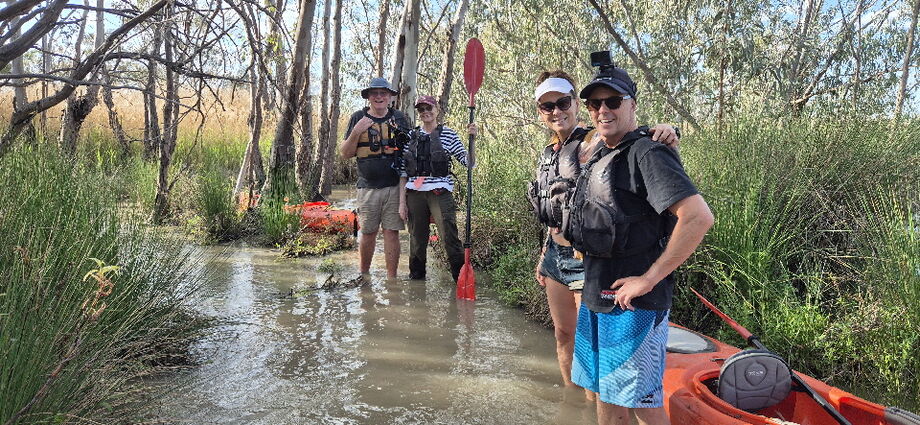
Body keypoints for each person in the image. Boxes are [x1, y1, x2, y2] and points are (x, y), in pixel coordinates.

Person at [565, 54, 713, 425]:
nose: (603, 110)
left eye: (613, 101)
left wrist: (648, 279)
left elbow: (697, 218)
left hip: (635, 305)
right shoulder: (601, 151)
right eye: (595, 103)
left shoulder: (649, 153)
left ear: (631, 104)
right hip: (598, 293)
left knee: (642, 404)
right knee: (605, 395)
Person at [527, 70, 680, 399]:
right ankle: (575, 407)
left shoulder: (593, 139)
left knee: (595, 349)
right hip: (555, 257)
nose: (556, 111)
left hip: (589, 261)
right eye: (547, 106)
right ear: (540, 112)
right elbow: (559, 212)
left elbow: (631, 135)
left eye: (563, 102)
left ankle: (596, 407)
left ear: (575, 105)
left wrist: (665, 130)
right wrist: (544, 254)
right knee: (563, 334)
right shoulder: (547, 154)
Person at [340, 77, 412, 279]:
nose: (379, 97)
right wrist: (357, 131)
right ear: (368, 97)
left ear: (390, 97)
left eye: (383, 93)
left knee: (391, 232)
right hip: (367, 187)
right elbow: (345, 153)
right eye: (375, 93)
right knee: (368, 232)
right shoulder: (357, 118)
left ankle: (392, 280)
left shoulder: (400, 118)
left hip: (394, 186)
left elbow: (410, 151)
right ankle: (364, 276)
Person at [399, 95, 476, 281]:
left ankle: (460, 279)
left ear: (437, 109)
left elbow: (469, 162)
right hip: (415, 193)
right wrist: (402, 202)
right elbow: (403, 172)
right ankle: (417, 283)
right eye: (421, 109)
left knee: (449, 237)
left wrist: (473, 140)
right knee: (417, 241)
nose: (425, 112)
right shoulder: (411, 136)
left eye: (429, 108)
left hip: (439, 192)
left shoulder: (448, 134)